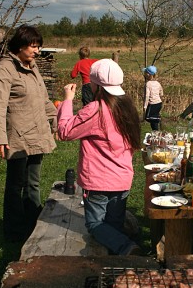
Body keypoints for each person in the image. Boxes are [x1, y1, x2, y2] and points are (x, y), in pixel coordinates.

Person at [57, 59, 143, 255]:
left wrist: (67, 100)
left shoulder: (95, 109)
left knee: (95, 224)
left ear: (95, 85)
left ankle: (126, 248)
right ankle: (117, 262)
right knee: (114, 225)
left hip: (98, 181)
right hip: (122, 179)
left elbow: (65, 131)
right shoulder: (127, 107)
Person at [0, 24, 57, 243]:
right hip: (18, 137)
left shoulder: (33, 66)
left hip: (37, 133)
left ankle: (33, 221)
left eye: (38, 47)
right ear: (19, 46)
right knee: (15, 185)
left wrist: (56, 119)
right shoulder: (6, 69)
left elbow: (43, 98)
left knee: (34, 181)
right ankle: (14, 229)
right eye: (32, 46)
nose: (36, 51)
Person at [143, 65, 163, 131]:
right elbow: (161, 92)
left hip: (152, 104)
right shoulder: (158, 83)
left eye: (145, 73)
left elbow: (147, 96)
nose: (144, 74)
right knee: (154, 119)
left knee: (149, 118)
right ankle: (155, 131)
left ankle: (155, 132)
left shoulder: (148, 84)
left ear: (148, 74)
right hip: (159, 103)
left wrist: (145, 106)